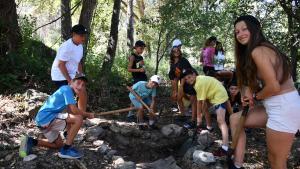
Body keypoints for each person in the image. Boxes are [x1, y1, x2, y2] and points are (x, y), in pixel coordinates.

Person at [229, 15, 300, 169]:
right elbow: (252, 81)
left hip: (284, 107)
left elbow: (273, 87)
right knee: (235, 119)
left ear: (255, 29)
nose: (240, 34)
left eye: (244, 29)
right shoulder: (256, 51)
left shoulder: (259, 51)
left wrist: (255, 96)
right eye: (237, 32)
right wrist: (247, 90)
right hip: (275, 106)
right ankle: (237, 164)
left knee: (276, 162)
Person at [19, 75, 94, 159]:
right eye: (78, 83)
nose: (80, 87)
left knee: (58, 145)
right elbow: (75, 111)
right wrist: (87, 114)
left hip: (42, 120)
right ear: (71, 82)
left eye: (83, 85)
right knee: (79, 118)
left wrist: (69, 132)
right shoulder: (67, 89)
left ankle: (30, 141)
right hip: (47, 117)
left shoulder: (68, 92)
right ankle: (66, 150)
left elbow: (71, 112)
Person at [182, 69, 233, 157]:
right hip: (214, 93)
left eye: (189, 77)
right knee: (205, 108)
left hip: (219, 95)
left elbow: (199, 102)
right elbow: (201, 102)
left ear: (194, 74)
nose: (188, 80)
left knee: (221, 121)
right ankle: (209, 127)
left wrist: (198, 119)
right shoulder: (198, 80)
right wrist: (199, 116)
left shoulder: (198, 84)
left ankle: (225, 147)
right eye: (186, 79)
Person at [51, 24, 88, 112]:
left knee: (82, 90)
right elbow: (61, 65)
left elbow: (78, 62)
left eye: (84, 36)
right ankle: (69, 118)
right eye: (81, 35)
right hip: (60, 75)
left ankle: (81, 114)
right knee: (69, 97)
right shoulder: (66, 46)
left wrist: (81, 76)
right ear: (73, 34)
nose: (83, 38)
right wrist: (70, 81)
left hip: (71, 74)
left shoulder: (80, 46)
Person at [127, 40, 148, 121]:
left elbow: (142, 66)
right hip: (137, 79)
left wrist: (143, 68)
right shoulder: (132, 56)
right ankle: (130, 115)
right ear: (136, 47)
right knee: (135, 96)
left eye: (143, 49)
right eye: (141, 48)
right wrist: (139, 70)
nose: (142, 50)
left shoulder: (140, 57)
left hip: (143, 78)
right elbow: (129, 69)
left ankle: (139, 113)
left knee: (141, 96)